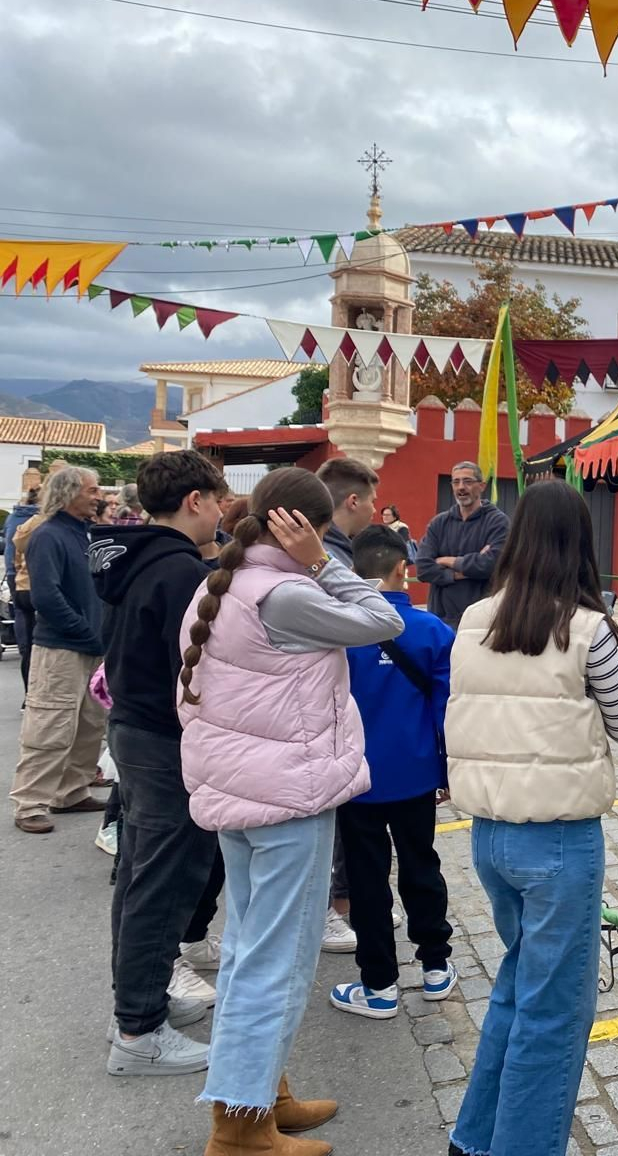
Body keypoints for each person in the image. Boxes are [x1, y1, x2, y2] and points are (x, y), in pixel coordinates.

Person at [177, 467, 401, 1155]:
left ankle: (257, 1094)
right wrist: (322, 564)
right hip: (286, 799)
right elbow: (385, 619)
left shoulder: (226, 584)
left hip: (247, 794)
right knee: (277, 960)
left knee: (250, 949)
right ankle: (240, 1130)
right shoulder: (282, 592)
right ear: (308, 525)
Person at [444, 481, 618, 1156]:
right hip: (559, 841)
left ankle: (474, 1139)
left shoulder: (474, 620)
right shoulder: (587, 629)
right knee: (554, 1013)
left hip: (490, 836)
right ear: (580, 544)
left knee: (519, 985)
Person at [92, 450, 229, 1076]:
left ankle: (143, 1000)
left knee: (138, 871)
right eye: (219, 497)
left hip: (133, 729)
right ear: (194, 500)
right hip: (164, 738)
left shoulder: (134, 555)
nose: (224, 509)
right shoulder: (179, 572)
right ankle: (139, 1030)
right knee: (165, 877)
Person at [328, 525, 457, 1020]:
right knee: (422, 866)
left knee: (366, 879)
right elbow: (446, 710)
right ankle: (435, 967)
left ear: (354, 570)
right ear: (404, 568)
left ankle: (378, 984)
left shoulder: (337, 632)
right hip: (416, 775)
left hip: (356, 779)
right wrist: (445, 770)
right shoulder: (432, 632)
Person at [10, 466, 109, 834]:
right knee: (50, 724)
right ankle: (30, 802)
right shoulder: (48, 536)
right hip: (61, 648)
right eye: (92, 489)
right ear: (69, 493)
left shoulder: (83, 534)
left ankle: (70, 791)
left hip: (88, 645)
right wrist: (86, 630)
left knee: (88, 723)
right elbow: (45, 596)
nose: (98, 495)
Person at [314, 456, 381, 955]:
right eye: (371, 500)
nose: (376, 511)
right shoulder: (326, 557)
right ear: (351, 500)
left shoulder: (328, 550)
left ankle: (340, 900)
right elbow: (370, 621)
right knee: (333, 811)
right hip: (323, 700)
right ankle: (332, 908)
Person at [416, 461, 509, 629]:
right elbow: (423, 568)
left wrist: (447, 561)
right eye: (456, 481)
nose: (461, 487)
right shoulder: (439, 523)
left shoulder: (497, 522)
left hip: (482, 621)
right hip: (441, 620)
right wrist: (461, 572)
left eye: (467, 481)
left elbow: (491, 564)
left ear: (481, 486)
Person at [5, 486, 40, 692]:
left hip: (18, 579)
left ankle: (28, 693)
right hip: (34, 582)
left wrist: (17, 572)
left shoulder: (14, 518)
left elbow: (14, 552)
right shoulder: (43, 522)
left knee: (23, 622)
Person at [315, 457, 379, 569]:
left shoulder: (311, 548)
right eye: (372, 501)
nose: (374, 510)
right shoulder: (331, 560)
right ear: (354, 502)